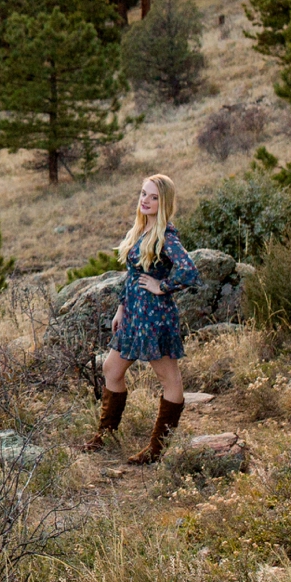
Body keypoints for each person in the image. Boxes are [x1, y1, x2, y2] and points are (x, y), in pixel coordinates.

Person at [77, 172, 197, 464]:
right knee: (111, 369)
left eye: (154, 197)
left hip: (156, 318)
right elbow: (132, 276)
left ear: (164, 201)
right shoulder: (141, 230)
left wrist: (162, 287)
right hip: (133, 315)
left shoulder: (166, 236)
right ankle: (105, 435)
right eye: (144, 194)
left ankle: (157, 449)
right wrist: (121, 308)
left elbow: (189, 271)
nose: (146, 200)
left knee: (168, 377)